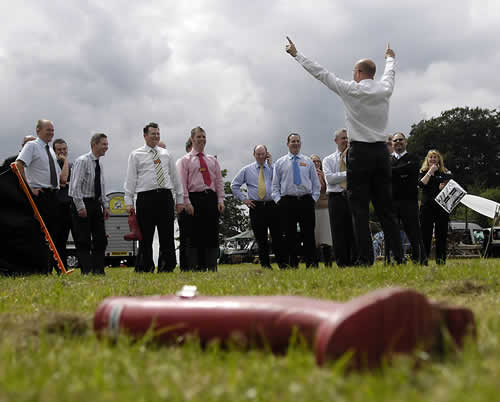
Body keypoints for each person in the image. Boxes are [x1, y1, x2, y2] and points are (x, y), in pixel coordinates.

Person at [285, 37, 403, 266]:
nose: (352, 75)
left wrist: (297, 55)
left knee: (359, 210)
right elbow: (390, 72)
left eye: (353, 71)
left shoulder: (351, 90)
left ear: (359, 72)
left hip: (359, 152)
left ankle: (366, 259)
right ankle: (398, 257)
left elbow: (322, 74)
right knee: (386, 209)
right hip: (380, 151)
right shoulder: (384, 89)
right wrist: (390, 58)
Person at [124, 122, 184, 273]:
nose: (156, 136)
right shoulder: (136, 154)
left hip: (165, 196)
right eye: (153, 134)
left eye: (158, 133)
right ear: (145, 136)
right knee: (145, 236)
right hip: (145, 198)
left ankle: (166, 267)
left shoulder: (166, 154)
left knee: (167, 234)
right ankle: (145, 267)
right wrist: (128, 201)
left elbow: (175, 178)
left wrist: (180, 199)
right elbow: (130, 179)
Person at [15, 120, 65, 273]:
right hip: (40, 195)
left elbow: (58, 175)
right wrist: (29, 188)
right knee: (41, 233)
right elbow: (19, 164)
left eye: (53, 130)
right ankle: (40, 268)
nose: (51, 132)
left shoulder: (49, 150)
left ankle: (49, 268)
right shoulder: (32, 146)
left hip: (53, 195)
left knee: (53, 232)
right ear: (38, 130)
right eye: (48, 130)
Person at [177, 126, 224, 271]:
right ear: (192, 139)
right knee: (193, 234)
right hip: (193, 198)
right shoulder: (185, 160)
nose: (202, 140)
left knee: (210, 233)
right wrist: (186, 201)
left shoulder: (212, 160)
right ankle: (193, 266)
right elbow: (182, 183)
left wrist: (220, 199)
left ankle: (210, 266)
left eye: (204, 137)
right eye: (199, 137)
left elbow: (219, 181)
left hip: (210, 198)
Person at [231, 145, 285, 269]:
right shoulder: (246, 170)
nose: (261, 157)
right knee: (261, 238)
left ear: (267, 154)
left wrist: (272, 164)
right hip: (256, 206)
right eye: (258, 154)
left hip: (273, 205)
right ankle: (265, 265)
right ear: (254, 155)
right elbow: (234, 185)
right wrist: (244, 199)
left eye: (263, 154)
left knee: (277, 236)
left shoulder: (273, 168)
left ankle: (282, 264)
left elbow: (282, 180)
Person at [272, 133, 320, 268]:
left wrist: (313, 199)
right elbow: (275, 186)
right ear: (287, 143)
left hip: (306, 200)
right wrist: (278, 201)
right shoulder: (280, 163)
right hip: (287, 202)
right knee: (289, 235)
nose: (296, 143)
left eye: (298, 141)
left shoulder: (308, 161)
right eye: (293, 141)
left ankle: (311, 264)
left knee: (309, 234)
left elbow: (316, 183)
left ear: (301, 143)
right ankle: (292, 264)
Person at [69, 133, 110, 275]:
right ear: (94, 144)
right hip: (82, 202)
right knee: (83, 239)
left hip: (95, 204)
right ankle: (86, 270)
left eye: (107, 144)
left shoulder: (99, 164)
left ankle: (98, 270)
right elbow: (75, 187)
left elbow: (102, 187)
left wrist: (105, 206)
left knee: (101, 239)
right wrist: (80, 206)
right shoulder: (82, 161)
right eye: (104, 144)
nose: (107, 147)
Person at [389, 133, 426, 264]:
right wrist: (402, 171)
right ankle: (395, 260)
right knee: (392, 232)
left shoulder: (414, 158)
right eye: (395, 140)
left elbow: (412, 170)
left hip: (409, 201)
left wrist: (393, 171)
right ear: (392, 143)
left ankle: (420, 259)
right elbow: (385, 174)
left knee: (414, 231)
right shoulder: (387, 159)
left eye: (401, 140)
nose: (398, 142)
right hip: (392, 201)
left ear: (406, 142)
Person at [322, 129, 357, 267]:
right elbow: (330, 179)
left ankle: (354, 260)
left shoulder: (355, 159)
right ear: (336, 141)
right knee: (338, 231)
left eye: (347, 138)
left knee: (353, 230)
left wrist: (341, 175)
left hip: (351, 196)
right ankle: (342, 262)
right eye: (343, 138)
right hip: (336, 198)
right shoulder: (328, 160)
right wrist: (349, 173)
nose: (346, 141)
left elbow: (358, 176)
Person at [419, 150, 452, 264]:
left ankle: (441, 260)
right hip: (426, 207)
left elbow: (451, 188)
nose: (433, 159)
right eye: (430, 157)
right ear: (427, 159)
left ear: (439, 160)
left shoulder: (445, 172)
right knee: (425, 235)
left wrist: (444, 187)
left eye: (435, 157)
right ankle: (424, 260)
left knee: (441, 234)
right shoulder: (423, 172)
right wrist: (430, 172)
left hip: (441, 207)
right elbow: (421, 184)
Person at [52, 138, 72, 272]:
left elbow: (69, 184)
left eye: (64, 149)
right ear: (54, 151)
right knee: (55, 240)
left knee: (63, 240)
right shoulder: (51, 165)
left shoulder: (72, 165)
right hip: (54, 207)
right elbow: (62, 180)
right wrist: (64, 162)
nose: (62, 152)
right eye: (59, 150)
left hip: (67, 207)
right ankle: (52, 267)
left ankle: (62, 268)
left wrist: (65, 184)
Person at [310, 154, 333, 266]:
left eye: (318, 161)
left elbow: (330, 188)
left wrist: (322, 178)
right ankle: (315, 263)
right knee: (314, 237)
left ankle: (328, 263)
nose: (316, 163)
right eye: (313, 161)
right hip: (312, 209)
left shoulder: (325, 175)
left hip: (325, 209)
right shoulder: (307, 175)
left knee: (326, 238)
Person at [176, 138, 193, 271]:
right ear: (188, 148)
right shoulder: (181, 162)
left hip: (196, 200)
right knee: (186, 237)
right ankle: (185, 266)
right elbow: (180, 185)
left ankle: (196, 264)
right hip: (184, 201)